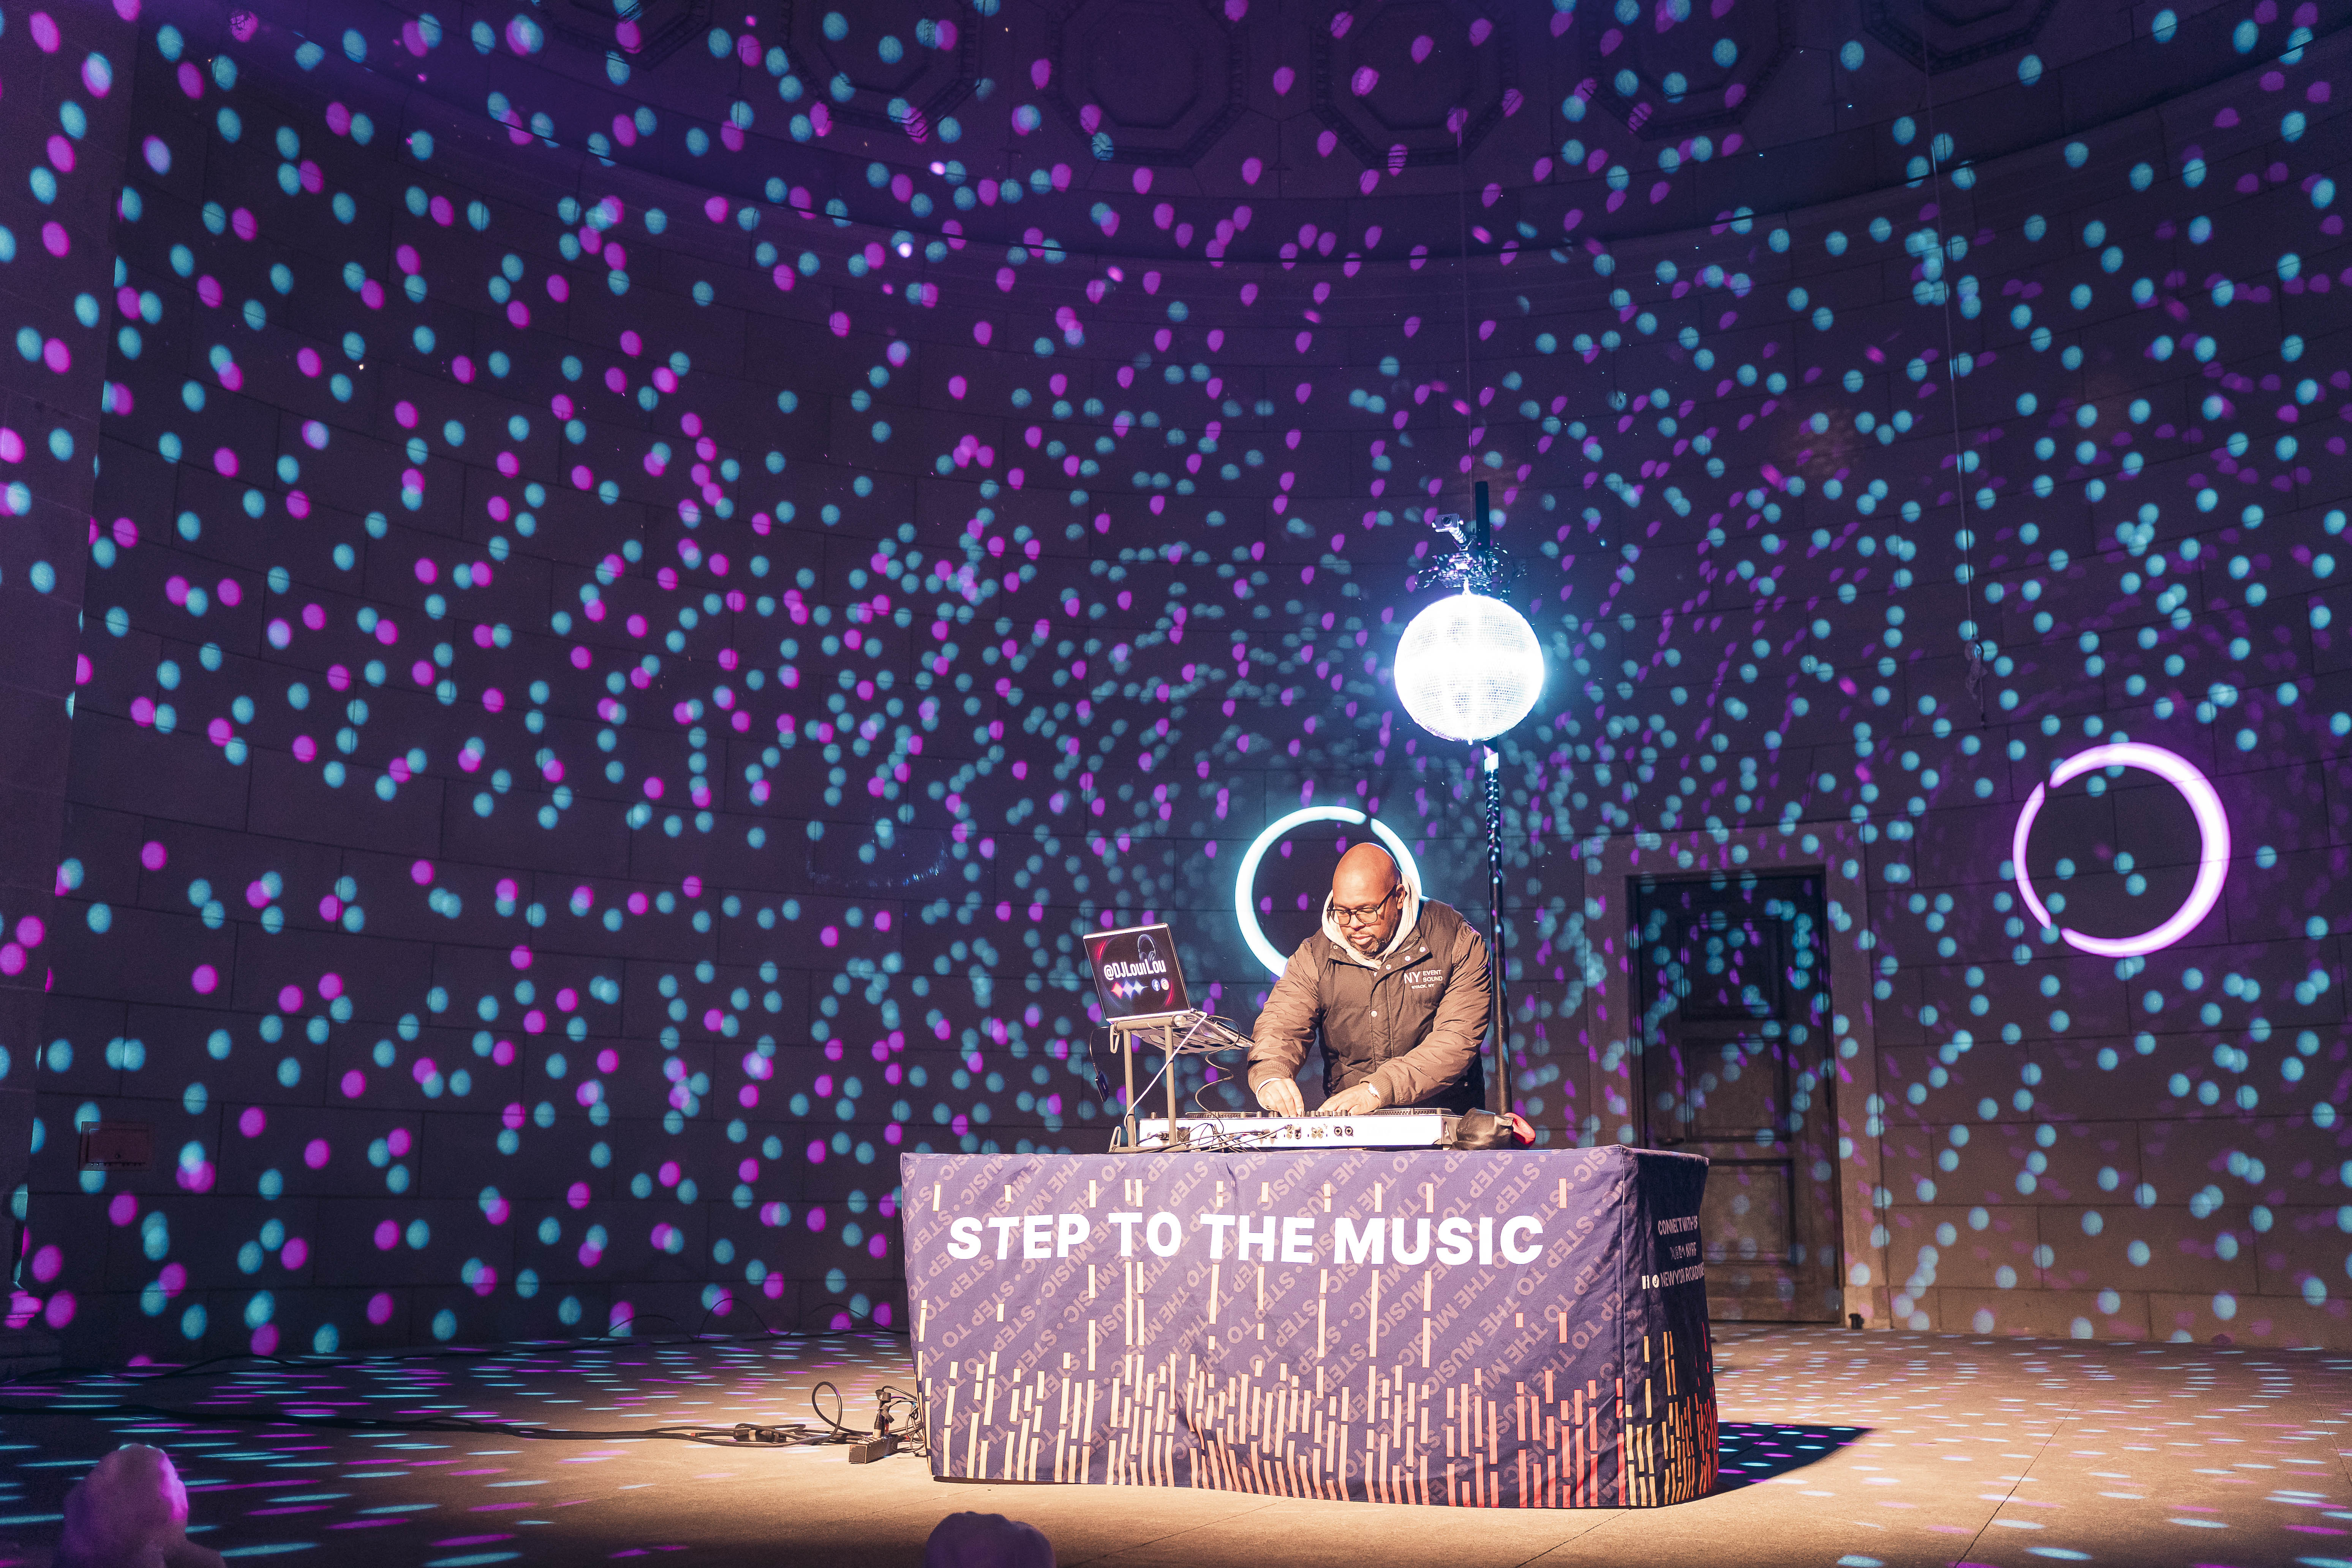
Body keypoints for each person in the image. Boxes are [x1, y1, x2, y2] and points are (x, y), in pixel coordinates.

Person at [1245, 842, 1492, 1116]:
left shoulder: (1455, 940)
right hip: (1355, 1132)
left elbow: (1454, 1041)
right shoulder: (1315, 955)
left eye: (1367, 911)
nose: (1354, 924)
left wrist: (1377, 1089)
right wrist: (1270, 1074)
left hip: (1445, 1124)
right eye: (1342, 911)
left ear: (1399, 896)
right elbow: (1282, 1023)